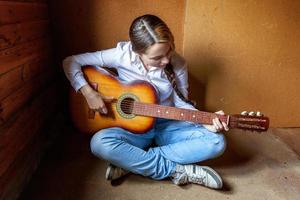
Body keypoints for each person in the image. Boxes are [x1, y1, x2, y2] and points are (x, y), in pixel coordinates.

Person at [63, 14, 228, 189]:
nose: (165, 60)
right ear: (137, 51)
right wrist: (89, 93)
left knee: (217, 142)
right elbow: (71, 62)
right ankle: (177, 171)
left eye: (169, 51)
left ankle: (133, 161)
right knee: (99, 144)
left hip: (167, 125)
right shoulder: (121, 55)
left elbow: (181, 104)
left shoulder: (178, 63)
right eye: (157, 58)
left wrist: (204, 121)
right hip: (132, 128)